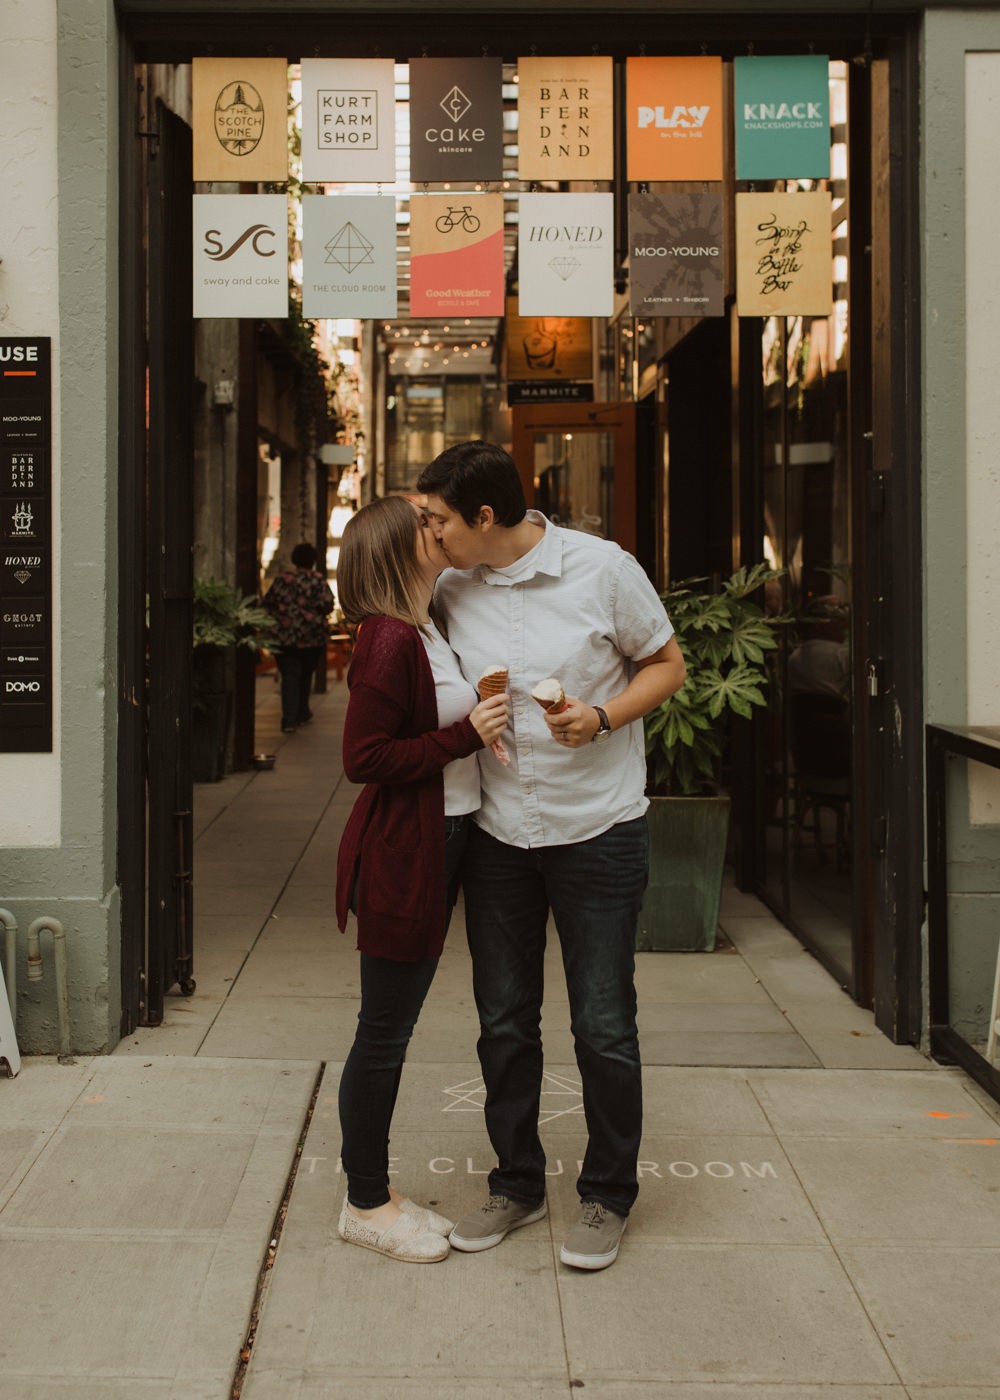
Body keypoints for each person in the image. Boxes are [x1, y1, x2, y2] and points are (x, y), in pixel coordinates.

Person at [416, 440, 686, 1272]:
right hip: (500, 836)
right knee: (503, 1023)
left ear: (485, 517)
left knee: (603, 1026)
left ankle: (607, 1195)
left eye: (438, 520)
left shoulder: (602, 569)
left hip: (597, 829)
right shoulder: (451, 588)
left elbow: (668, 665)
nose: (429, 535)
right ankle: (517, 1183)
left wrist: (601, 718)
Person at [334, 495, 509, 1263]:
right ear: (398, 549)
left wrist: (479, 722)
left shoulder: (427, 626)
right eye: (422, 524)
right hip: (411, 847)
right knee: (384, 1032)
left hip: (451, 835)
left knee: (391, 1027)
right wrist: (460, 735)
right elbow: (362, 759)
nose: (436, 528)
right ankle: (364, 1201)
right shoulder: (386, 640)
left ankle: (380, 1193)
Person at [261, 542, 335, 733]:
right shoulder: (318, 580)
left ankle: (289, 719)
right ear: (313, 560)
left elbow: (267, 604)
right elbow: (328, 605)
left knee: (290, 676)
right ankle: (302, 711)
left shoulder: (283, 580)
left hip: (285, 638)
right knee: (305, 674)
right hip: (313, 638)